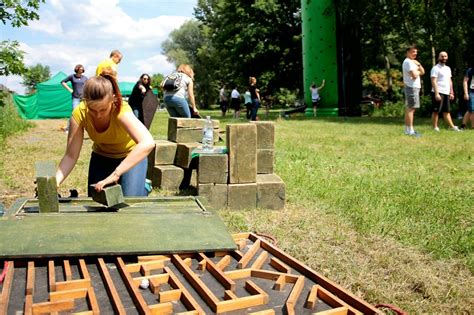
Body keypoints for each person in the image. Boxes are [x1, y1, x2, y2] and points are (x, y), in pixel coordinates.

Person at [55, 73, 155, 197]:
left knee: (130, 202)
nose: (98, 115)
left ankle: (143, 186)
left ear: (113, 99)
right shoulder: (79, 113)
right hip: (101, 157)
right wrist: (55, 182)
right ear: (85, 101)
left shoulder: (121, 109)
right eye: (92, 110)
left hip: (130, 156)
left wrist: (116, 174)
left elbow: (148, 142)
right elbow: (71, 156)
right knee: (98, 202)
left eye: (103, 110)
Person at [430, 51, 460, 132]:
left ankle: (452, 127)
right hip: (438, 92)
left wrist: (451, 92)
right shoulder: (435, 68)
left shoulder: (448, 69)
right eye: (442, 56)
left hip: (446, 92)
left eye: (445, 56)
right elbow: (433, 81)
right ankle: (435, 127)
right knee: (436, 111)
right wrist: (436, 93)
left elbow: (450, 81)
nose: (444, 58)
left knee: (446, 111)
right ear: (438, 57)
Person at [402, 45, 425, 136]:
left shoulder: (413, 62)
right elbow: (415, 75)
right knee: (411, 109)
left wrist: (418, 64)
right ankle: (410, 130)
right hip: (412, 87)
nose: (415, 53)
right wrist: (417, 72)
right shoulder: (408, 62)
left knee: (410, 108)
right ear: (407, 52)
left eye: (416, 52)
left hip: (414, 87)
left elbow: (423, 71)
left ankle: (408, 129)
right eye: (413, 52)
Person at [61, 64, 88, 131]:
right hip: (75, 98)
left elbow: (88, 85)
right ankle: (68, 128)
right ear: (77, 69)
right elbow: (63, 82)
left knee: (85, 113)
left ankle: (82, 127)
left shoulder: (85, 78)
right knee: (74, 112)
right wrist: (69, 89)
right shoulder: (72, 77)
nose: (82, 70)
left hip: (83, 98)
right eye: (80, 68)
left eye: (82, 69)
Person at [461, 64, 474, 129]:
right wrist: (466, 93)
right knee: (471, 109)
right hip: (472, 92)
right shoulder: (470, 70)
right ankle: (463, 126)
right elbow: (465, 81)